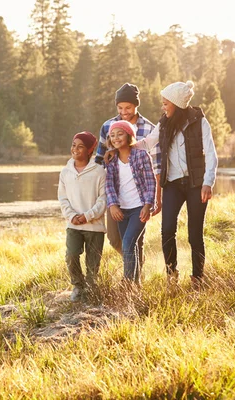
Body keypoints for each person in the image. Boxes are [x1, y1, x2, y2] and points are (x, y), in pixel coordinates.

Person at [134, 81, 218, 288]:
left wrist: (208, 182)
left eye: (166, 103)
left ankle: (197, 278)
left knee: (195, 233)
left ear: (178, 104)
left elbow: (211, 154)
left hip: (196, 184)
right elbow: (147, 143)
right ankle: (172, 273)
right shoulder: (164, 124)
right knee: (167, 229)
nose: (163, 107)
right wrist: (123, 146)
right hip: (172, 184)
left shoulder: (200, 123)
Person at [95, 83, 161, 265]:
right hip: (116, 195)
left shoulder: (149, 128)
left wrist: (156, 199)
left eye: (128, 107)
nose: (124, 111)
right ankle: (134, 266)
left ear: (136, 105)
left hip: (140, 196)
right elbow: (100, 160)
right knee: (115, 239)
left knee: (134, 241)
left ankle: (132, 281)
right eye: (120, 107)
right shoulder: (108, 126)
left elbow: (157, 166)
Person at [104, 120, 156, 285]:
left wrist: (148, 205)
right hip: (122, 210)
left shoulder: (141, 155)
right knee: (129, 245)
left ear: (129, 135)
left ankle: (127, 284)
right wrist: (112, 205)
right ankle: (135, 284)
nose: (116, 138)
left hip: (139, 208)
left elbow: (151, 182)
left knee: (128, 243)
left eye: (120, 134)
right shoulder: (111, 160)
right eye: (112, 135)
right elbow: (109, 185)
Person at [58, 131, 107, 302]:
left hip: (94, 226)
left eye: (80, 147)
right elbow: (62, 198)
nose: (75, 149)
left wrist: (87, 216)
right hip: (73, 225)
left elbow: (103, 200)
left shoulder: (99, 172)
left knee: (93, 263)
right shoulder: (65, 172)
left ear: (89, 150)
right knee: (71, 255)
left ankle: (92, 290)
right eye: (73, 145)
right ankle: (78, 286)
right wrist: (72, 216)